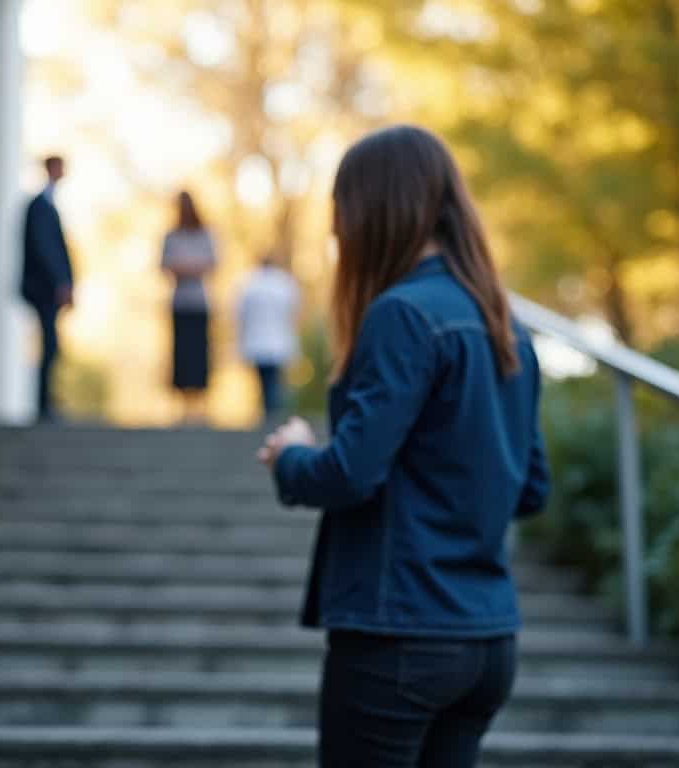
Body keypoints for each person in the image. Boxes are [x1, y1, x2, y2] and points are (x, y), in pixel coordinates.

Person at [256, 125, 551, 768]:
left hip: (400, 634)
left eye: (342, 213)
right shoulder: (509, 327)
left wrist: (292, 456)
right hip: (488, 641)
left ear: (374, 211)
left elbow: (350, 474)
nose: (339, 234)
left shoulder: (401, 314)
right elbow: (531, 489)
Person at [21, 155, 74, 422]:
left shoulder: (47, 205)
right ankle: (43, 405)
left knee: (50, 344)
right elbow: (45, 249)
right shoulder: (40, 206)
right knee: (49, 344)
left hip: (47, 288)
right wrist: (60, 282)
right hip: (42, 289)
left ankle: (46, 402)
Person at [160, 191, 217, 421]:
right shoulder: (171, 236)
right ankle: (183, 404)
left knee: (199, 352)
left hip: (199, 303)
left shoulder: (206, 234)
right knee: (181, 352)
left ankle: (200, 404)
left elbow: (211, 263)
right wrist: (189, 267)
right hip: (180, 304)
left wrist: (186, 267)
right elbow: (166, 265)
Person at [236, 251, 300, 420]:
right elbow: (293, 311)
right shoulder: (284, 283)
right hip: (277, 341)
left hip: (258, 341)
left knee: (266, 380)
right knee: (274, 380)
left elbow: (240, 314)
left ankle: (270, 413)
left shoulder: (249, 283)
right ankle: (273, 413)